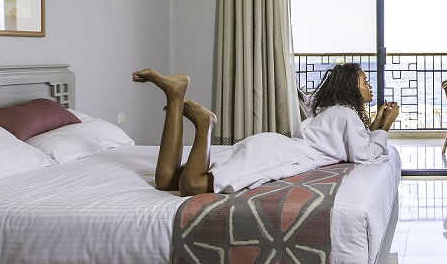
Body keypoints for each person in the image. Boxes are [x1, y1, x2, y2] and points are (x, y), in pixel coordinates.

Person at [133, 63, 400, 196]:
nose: (369, 86)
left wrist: (376, 121)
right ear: (351, 87)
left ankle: (175, 94)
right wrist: (386, 126)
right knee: (192, 185)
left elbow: (355, 141)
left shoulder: (333, 112)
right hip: (277, 155)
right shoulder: (346, 115)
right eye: (364, 81)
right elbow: (364, 154)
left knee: (166, 181)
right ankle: (205, 123)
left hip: (272, 146)